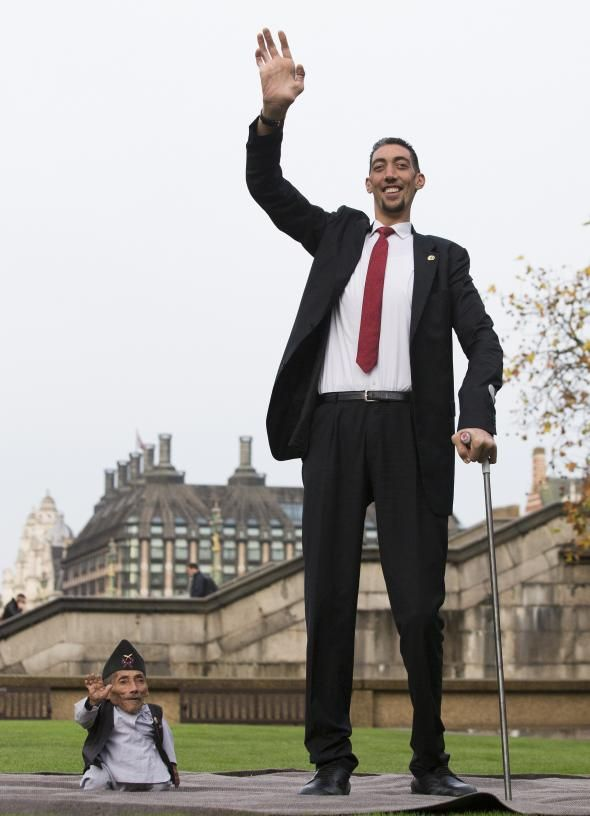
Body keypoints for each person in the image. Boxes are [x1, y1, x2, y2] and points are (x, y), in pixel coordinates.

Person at [246, 29, 503, 798]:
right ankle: (330, 760)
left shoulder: (444, 259)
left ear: (419, 181)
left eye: (402, 166)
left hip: (408, 435)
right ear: (368, 181)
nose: (390, 175)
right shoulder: (336, 234)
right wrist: (272, 114)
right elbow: (267, 187)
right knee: (327, 599)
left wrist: (477, 414)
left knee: (419, 608)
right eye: (380, 166)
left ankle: (430, 761)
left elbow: (483, 344)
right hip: (332, 426)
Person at [74, 639, 179, 791]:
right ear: (108, 690)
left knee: (161, 786)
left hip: (148, 769)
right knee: (95, 782)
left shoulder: (154, 714)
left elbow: (166, 741)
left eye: (140, 681)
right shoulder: (101, 710)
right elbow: (82, 719)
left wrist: (172, 766)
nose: (134, 688)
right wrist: (93, 701)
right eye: (123, 682)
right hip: (111, 769)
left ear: (147, 689)